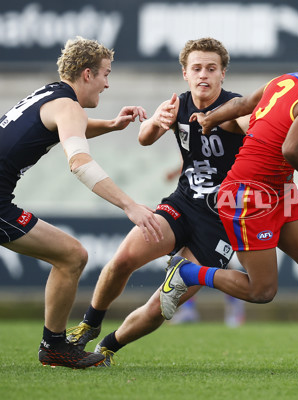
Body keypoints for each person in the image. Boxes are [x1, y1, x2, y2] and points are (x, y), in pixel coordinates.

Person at [158, 25, 298, 374]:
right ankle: (187, 271)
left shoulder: (285, 81)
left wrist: (210, 117)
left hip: (279, 190)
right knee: (262, 291)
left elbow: (241, 104)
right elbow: (292, 149)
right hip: (248, 195)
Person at [66, 38, 249, 366]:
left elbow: (254, 126)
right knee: (123, 260)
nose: (203, 74)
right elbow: (144, 137)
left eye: (211, 68)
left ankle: (106, 348)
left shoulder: (236, 107)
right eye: (197, 69)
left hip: (221, 223)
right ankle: (88, 325)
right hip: (183, 204)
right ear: (185, 74)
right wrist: (157, 120)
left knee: (161, 305)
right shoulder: (178, 105)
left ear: (223, 74)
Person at [0, 37, 162, 369]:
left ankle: (55, 345)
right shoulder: (67, 105)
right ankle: (55, 347)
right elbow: (79, 162)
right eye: (105, 73)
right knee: (72, 255)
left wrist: (114, 125)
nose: (107, 82)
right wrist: (129, 205)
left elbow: (70, 128)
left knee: (71, 255)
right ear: (87, 74)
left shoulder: (51, 94)